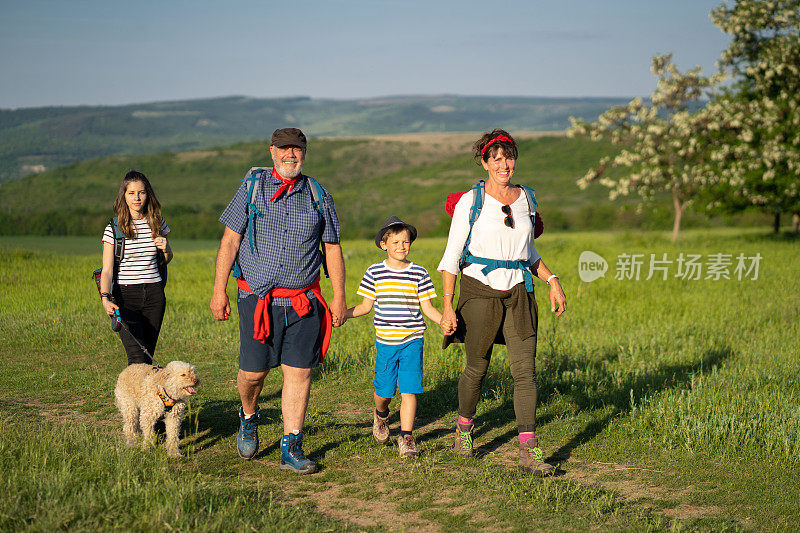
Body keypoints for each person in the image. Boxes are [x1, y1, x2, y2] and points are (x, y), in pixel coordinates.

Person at [210, 128, 347, 475]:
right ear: (272, 152)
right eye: (284, 149)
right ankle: (249, 415)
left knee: (299, 374)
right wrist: (218, 290)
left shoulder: (318, 195)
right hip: (256, 299)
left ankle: (292, 446)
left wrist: (339, 297)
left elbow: (332, 248)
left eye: (297, 149)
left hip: (303, 302)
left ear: (305, 153)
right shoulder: (252, 187)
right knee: (253, 374)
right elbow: (229, 240)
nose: (291, 155)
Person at [438, 129, 566, 476]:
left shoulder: (526, 199)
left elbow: (528, 252)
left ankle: (528, 450)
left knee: (525, 372)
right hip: (479, 290)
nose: (504, 164)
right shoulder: (471, 200)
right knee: (477, 368)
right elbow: (452, 256)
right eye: (496, 158)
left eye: (508, 157)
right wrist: (448, 306)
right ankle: (464, 430)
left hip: (520, 293)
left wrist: (552, 280)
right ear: (484, 161)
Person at [345, 216, 443, 458]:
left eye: (406, 242)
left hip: (413, 339)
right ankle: (380, 415)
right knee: (385, 393)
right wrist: (343, 315)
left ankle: (407, 437)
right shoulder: (374, 272)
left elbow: (428, 308)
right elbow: (365, 306)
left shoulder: (419, 272)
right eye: (396, 242)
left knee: (409, 390)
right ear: (384, 245)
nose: (402, 246)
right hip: (386, 343)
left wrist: (444, 321)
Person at [99, 170, 173, 366]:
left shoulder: (158, 222)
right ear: (123, 196)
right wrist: (105, 298)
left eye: (141, 192)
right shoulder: (114, 228)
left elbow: (166, 258)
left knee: (147, 355)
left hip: (155, 294)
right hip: (125, 297)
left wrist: (167, 249)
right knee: (136, 358)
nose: (137, 198)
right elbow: (106, 270)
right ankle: (130, 396)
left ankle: (145, 397)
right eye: (131, 193)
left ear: (148, 194)